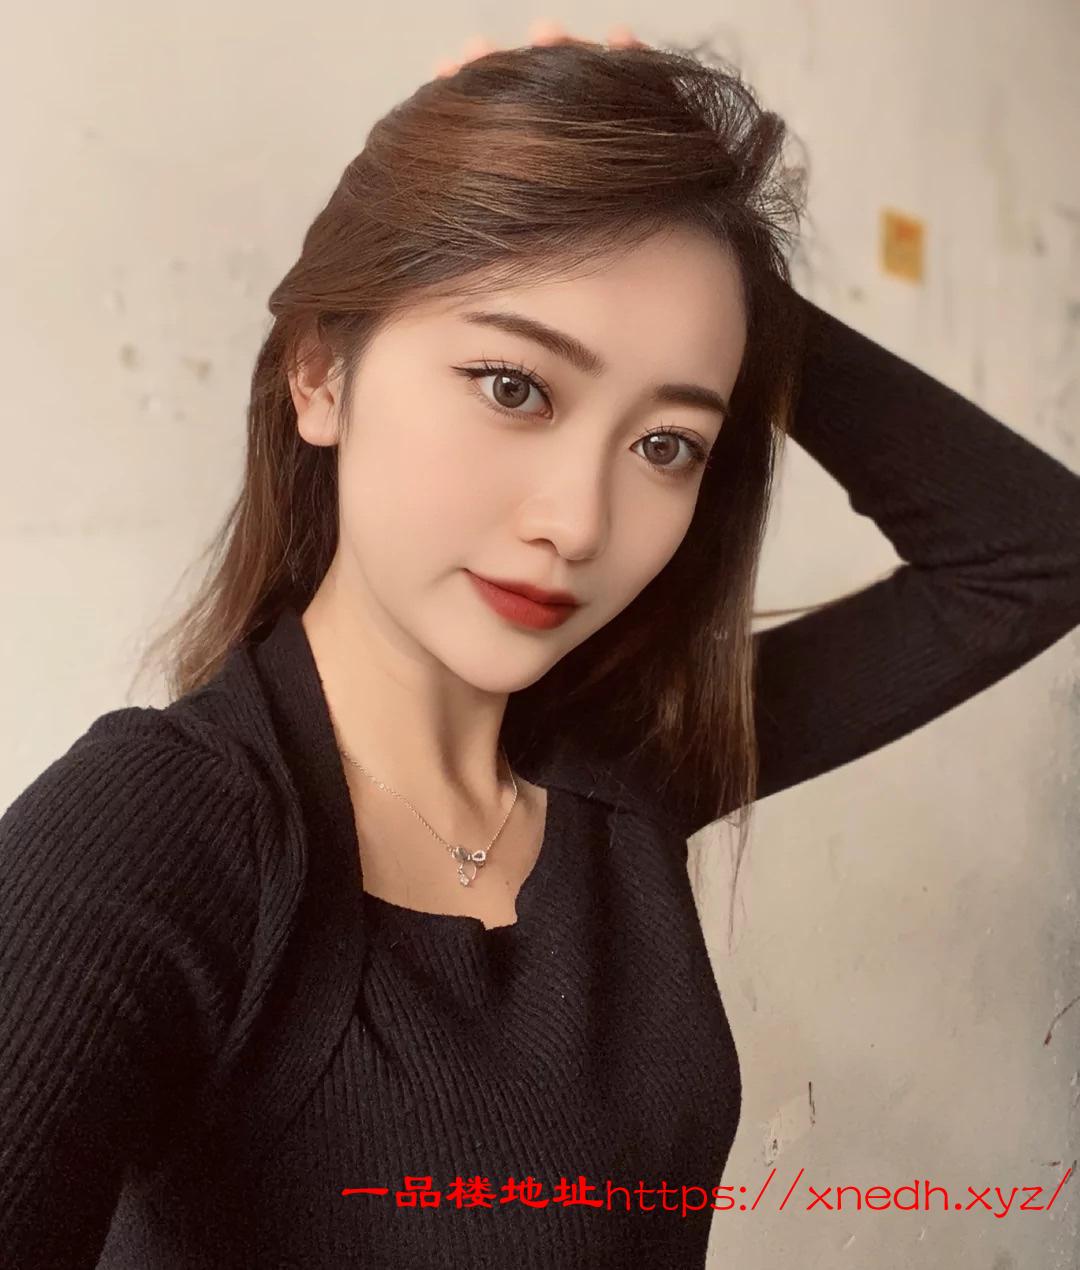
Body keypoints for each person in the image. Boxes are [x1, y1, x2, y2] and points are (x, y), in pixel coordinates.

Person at [2, 30, 1079, 1270]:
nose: (579, 523)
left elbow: (1033, 553)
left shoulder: (624, 770)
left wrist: (716, 264)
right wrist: (639, 221)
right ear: (320, 373)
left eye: (666, 443)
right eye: (515, 387)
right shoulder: (161, 832)